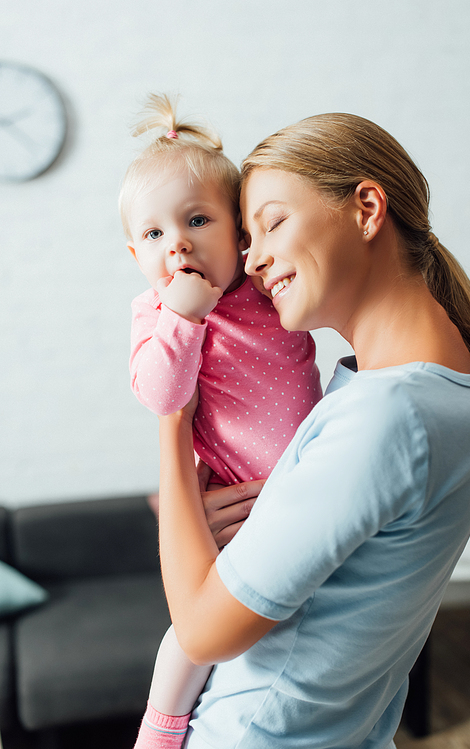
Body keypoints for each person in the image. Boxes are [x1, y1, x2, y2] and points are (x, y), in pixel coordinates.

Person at [155, 112, 470, 748]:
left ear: (367, 208)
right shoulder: (450, 380)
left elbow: (203, 631)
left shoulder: (388, 415)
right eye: (247, 237)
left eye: (273, 223)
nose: (252, 260)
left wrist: (173, 422)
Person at [119, 95, 322, 748]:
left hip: (306, 480)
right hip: (233, 498)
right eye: (153, 235)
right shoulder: (156, 316)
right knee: (195, 631)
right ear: (135, 254)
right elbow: (160, 394)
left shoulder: (264, 287)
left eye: (197, 220)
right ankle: (163, 722)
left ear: (239, 235)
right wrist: (183, 317)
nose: (175, 242)